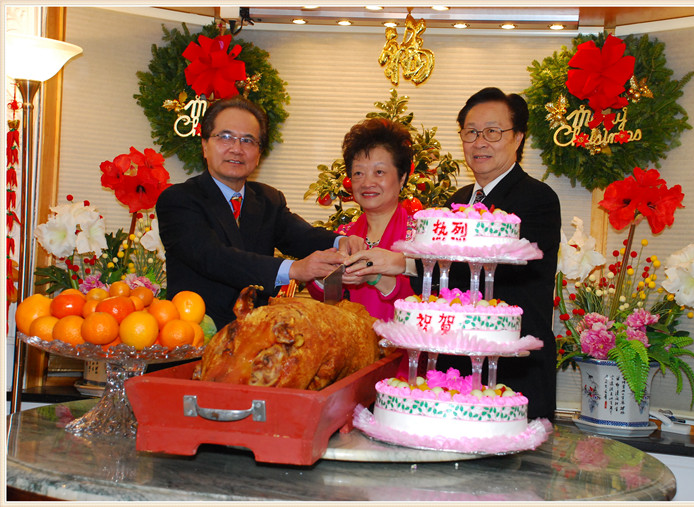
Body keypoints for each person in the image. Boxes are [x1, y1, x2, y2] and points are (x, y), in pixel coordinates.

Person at [156, 96, 362, 330]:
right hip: (195, 337)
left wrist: (340, 241)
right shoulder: (178, 199)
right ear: (205, 145)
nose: (236, 148)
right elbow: (213, 257)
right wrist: (294, 269)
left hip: (257, 339)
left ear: (259, 154)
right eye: (225, 137)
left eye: (248, 140)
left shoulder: (268, 199)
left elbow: (301, 236)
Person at [430, 87, 561, 421]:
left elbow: (501, 274)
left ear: (517, 138)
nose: (480, 142)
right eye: (471, 132)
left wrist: (406, 264)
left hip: (513, 374)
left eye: (492, 132)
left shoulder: (538, 199)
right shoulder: (456, 201)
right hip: (455, 369)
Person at [308, 118, 415, 320]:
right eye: (358, 173)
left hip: (402, 339)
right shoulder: (343, 235)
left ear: (402, 178)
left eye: (379, 172)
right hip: (352, 337)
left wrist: (376, 277)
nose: (367, 182)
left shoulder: (420, 237)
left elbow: (427, 300)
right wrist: (324, 273)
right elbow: (324, 299)